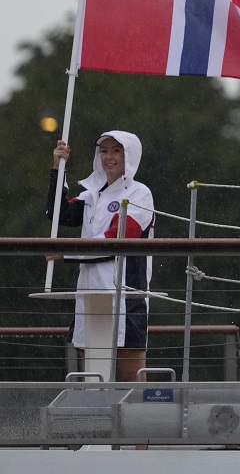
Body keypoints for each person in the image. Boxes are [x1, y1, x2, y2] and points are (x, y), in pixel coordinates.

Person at [48, 132, 154, 381]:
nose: (109, 157)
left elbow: (117, 239)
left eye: (116, 150)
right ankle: (99, 420)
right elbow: (57, 214)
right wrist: (57, 169)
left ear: (129, 155)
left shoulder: (140, 194)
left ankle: (139, 419)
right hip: (89, 292)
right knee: (93, 376)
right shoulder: (89, 195)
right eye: (103, 151)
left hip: (125, 294)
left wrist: (68, 252)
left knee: (132, 375)